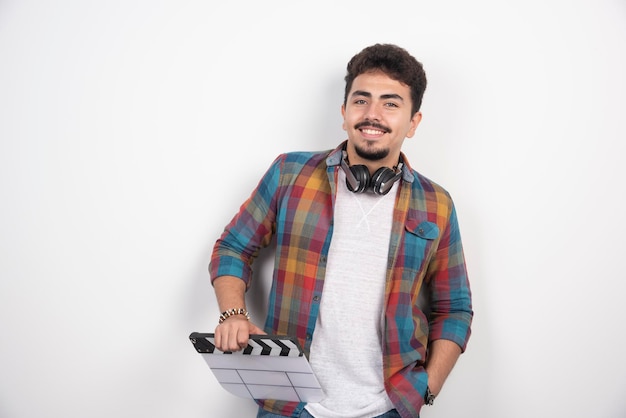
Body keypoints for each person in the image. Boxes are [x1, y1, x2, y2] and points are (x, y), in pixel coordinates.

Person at [209, 43, 473, 418]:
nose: (373, 114)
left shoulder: (437, 204)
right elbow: (233, 247)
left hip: (388, 408)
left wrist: (426, 389)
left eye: (391, 103)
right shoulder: (289, 174)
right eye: (361, 100)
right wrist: (232, 313)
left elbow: (455, 308)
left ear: (413, 122)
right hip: (288, 403)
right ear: (344, 112)